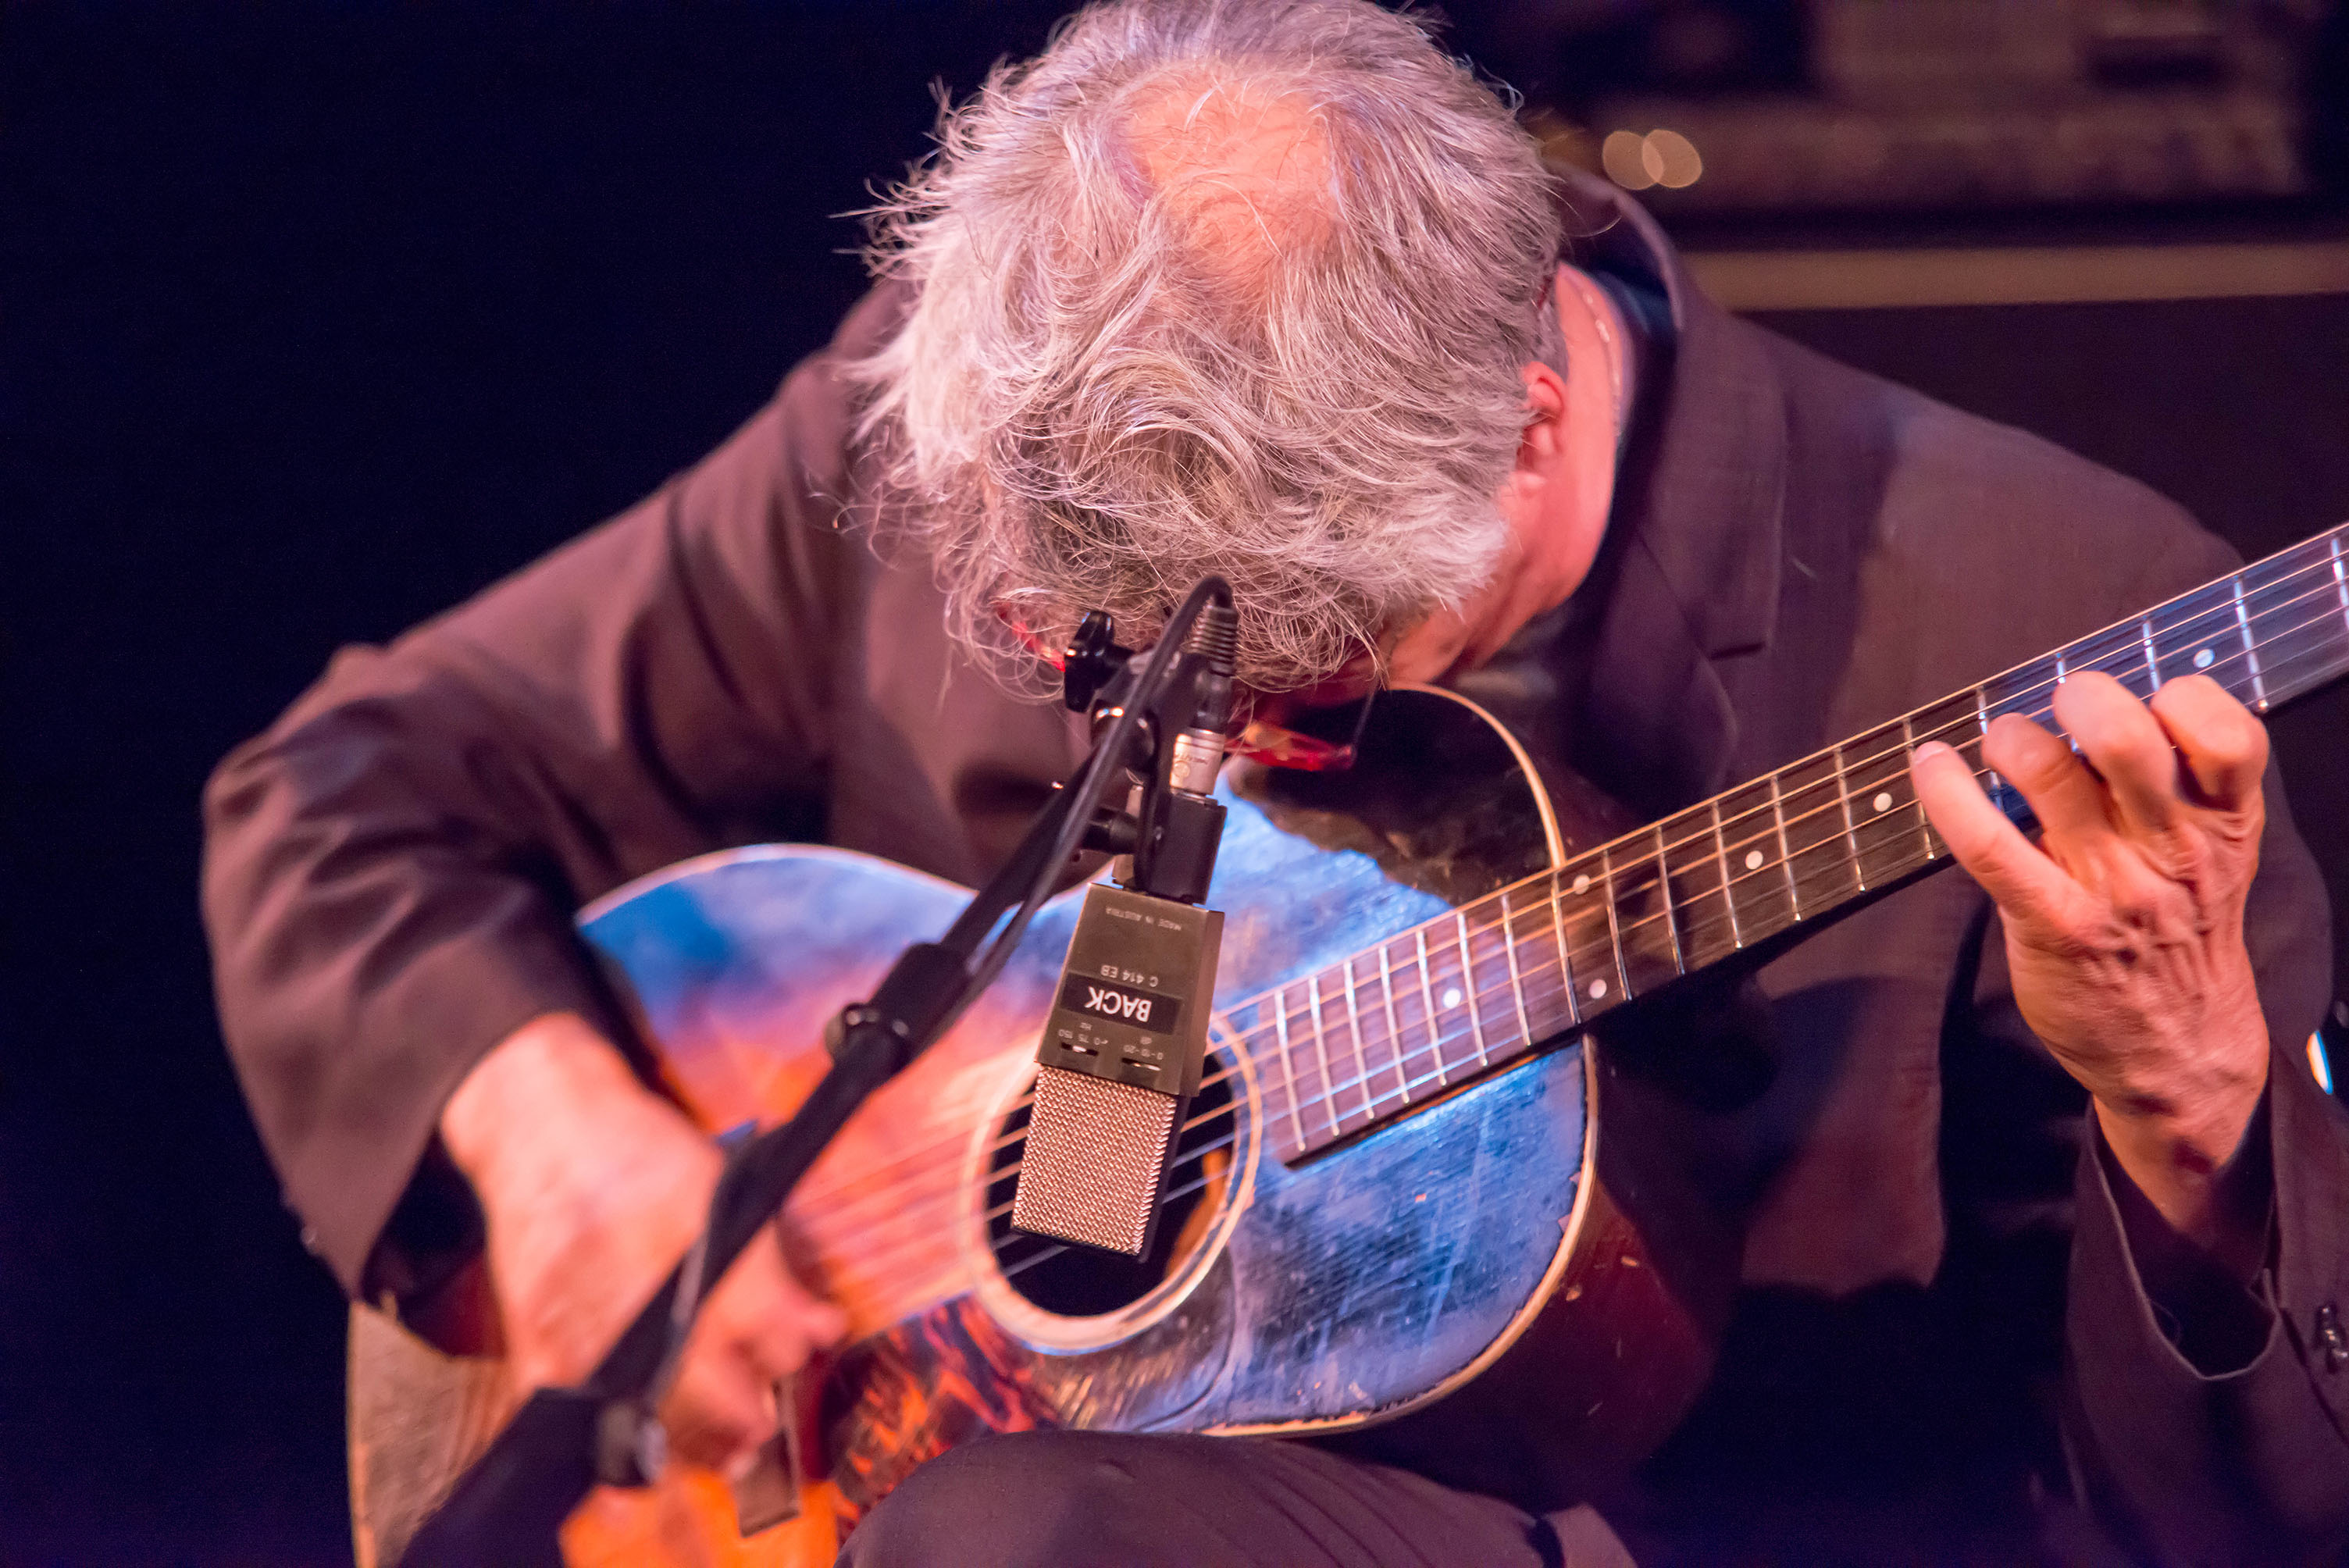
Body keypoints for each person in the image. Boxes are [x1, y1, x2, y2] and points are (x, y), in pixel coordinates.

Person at [201, 2, 2349, 1562]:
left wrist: (2192, 1115)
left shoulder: (2058, 619)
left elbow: (2256, 1524)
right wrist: (561, 1140)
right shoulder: (904, 442)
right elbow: (342, 790)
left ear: (1524, 411)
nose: (1192, 722)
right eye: (1088, 653)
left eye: (1289, 646)